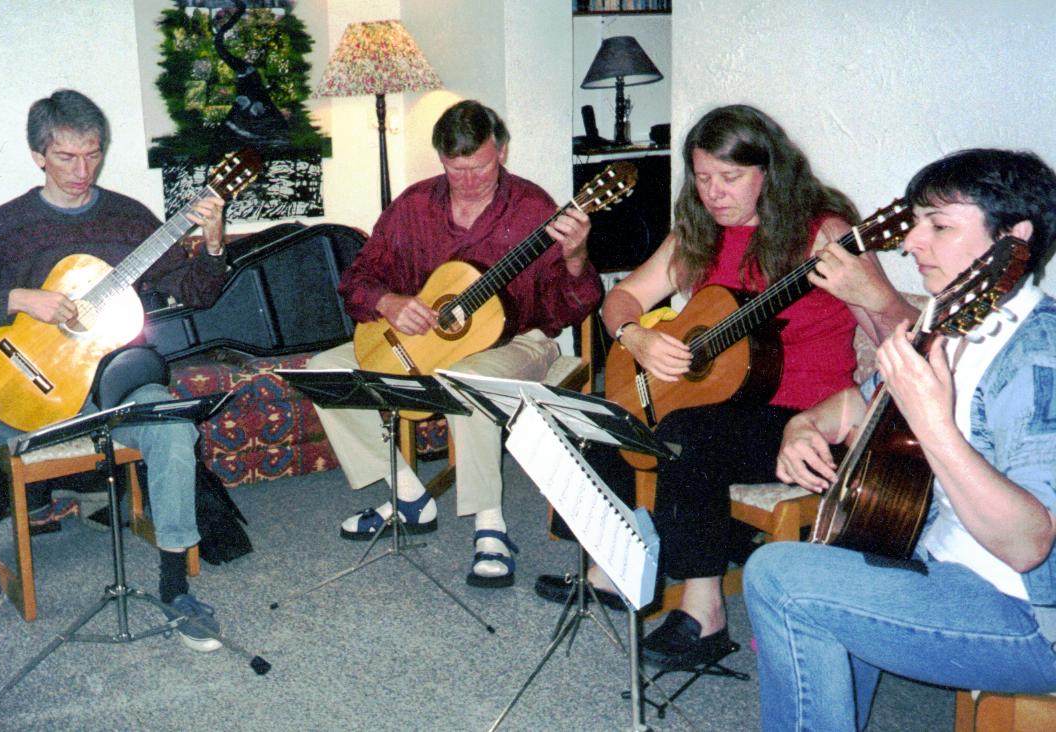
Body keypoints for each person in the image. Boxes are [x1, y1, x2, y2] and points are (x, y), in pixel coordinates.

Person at [535, 105, 916, 666]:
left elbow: (903, 340)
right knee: (605, 416)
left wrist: (876, 295)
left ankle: (704, 614)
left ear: (770, 170)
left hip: (801, 418)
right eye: (703, 178)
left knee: (686, 433)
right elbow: (620, 300)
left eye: (730, 178)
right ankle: (618, 568)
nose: (714, 193)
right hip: (718, 401)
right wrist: (636, 336)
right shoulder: (698, 232)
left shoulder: (824, 233)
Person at [746, 148, 1056, 731]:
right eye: (916, 223)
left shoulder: (1040, 359)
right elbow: (857, 404)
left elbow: (1028, 545)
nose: (912, 242)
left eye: (939, 226)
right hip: (939, 555)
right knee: (837, 551)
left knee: (778, 576)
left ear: (1013, 238)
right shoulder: (952, 320)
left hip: (1030, 616)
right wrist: (804, 425)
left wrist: (935, 426)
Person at [0, 89, 229, 651]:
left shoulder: (129, 218)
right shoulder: (4, 226)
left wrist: (210, 243)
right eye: (66, 157)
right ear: (38, 155)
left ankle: (176, 586)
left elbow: (196, 295)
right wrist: (15, 298)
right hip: (22, 387)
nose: (82, 171)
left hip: (111, 384)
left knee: (176, 431)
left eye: (93, 154)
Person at [307, 100, 601, 586]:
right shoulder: (415, 205)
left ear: (502, 152)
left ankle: (491, 525)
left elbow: (570, 307)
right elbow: (358, 278)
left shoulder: (533, 209)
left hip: (520, 341)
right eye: (454, 168)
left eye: (479, 167)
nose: (467, 180)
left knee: (469, 378)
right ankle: (407, 496)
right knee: (324, 371)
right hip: (427, 344)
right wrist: (389, 303)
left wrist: (576, 256)